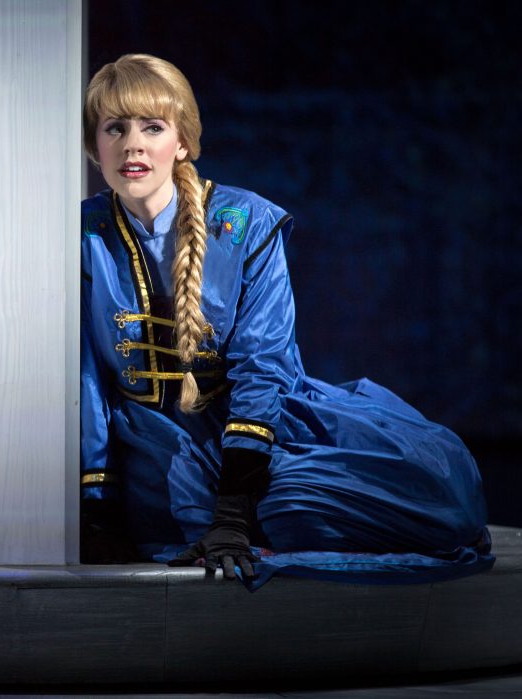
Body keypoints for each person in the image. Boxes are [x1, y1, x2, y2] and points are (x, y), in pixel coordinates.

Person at [79, 54, 490, 584]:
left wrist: (235, 500)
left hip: (255, 430)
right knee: (287, 514)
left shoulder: (247, 221)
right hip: (149, 448)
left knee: (438, 500)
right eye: (115, 128)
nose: (132, 143)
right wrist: (96, 505)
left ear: (181, 142)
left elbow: (263, 361)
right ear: (95, 147)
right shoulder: (82, 235)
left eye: (152, 127)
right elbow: (86, 380)